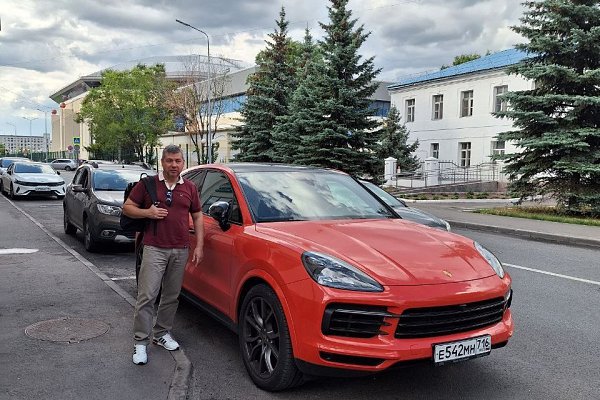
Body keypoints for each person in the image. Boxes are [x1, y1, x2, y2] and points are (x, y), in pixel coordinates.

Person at [122, 145, 204, 365]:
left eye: (178, 161)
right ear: (162, 162)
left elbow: (197, 215)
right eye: (169, 161)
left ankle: (161, 333)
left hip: (180, 249)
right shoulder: (148, 184)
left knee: (171, 295)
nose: (174, 165)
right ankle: (140, 342)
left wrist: (199, 246)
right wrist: (147, 212)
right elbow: (127, 208)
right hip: (154, 248)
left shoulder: (189, 187)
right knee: (147, 296)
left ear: (183, 163)